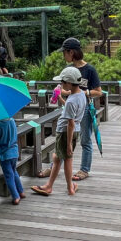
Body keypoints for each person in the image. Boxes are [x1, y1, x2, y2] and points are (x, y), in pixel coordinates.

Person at [30, 66, 86, 197]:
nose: (61, 85)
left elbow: (70, 123)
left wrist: (68, 145)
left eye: (62, 82)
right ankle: (54, 186)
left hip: (66, 132)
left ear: (69, 83)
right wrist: (60, 98)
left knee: (66, 159)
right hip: (73, 130)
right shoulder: (81, 94)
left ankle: (66, 188)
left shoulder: (72, 100)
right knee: (57, 158)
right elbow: (70, 109)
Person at [61, 37, 100, 182]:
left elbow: (98, 92)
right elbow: (64, 88)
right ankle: (54, 166)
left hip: (85, 109)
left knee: (85, 140)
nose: (63, 56)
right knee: (64, 137)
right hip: (71, 109)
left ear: (71, 52)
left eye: (64, 52)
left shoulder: (89, 70)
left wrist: (82, 93)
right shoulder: (68, 70)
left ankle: (84, 169)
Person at [0, 119, 25, 205]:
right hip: (14, 152)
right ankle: (21, 191)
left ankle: (16, 197)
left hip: (5, 154)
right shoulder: (12, 121)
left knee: (8, 176)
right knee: (14, 171)